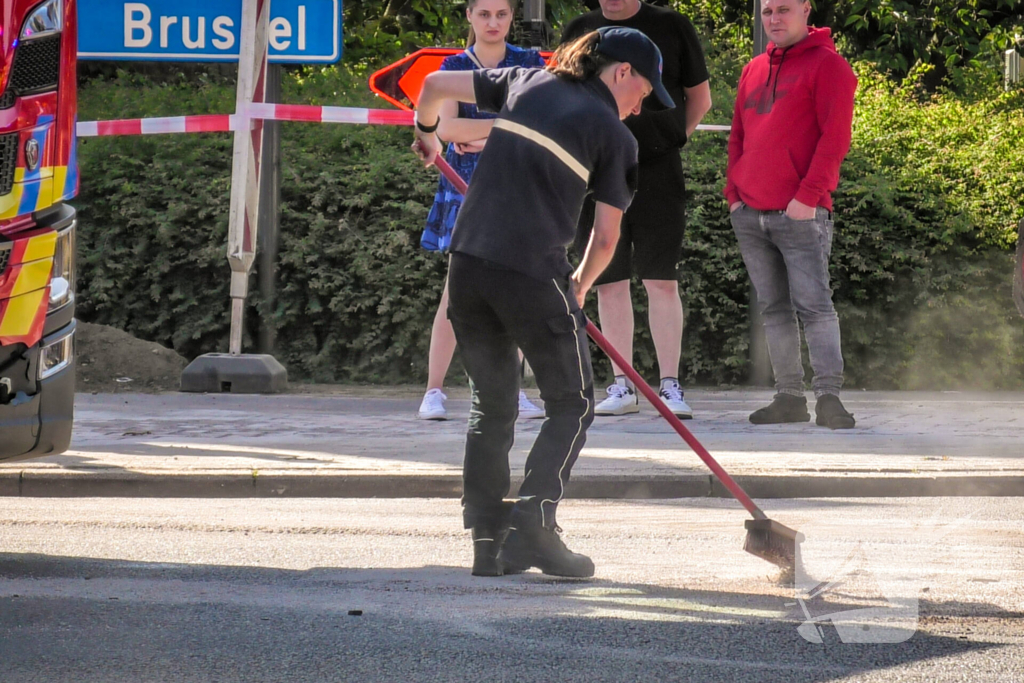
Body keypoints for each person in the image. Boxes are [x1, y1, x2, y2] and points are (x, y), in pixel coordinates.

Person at [412, 27, 672, 577]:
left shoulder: (526, 80)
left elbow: (433, 84)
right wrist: (577, 287)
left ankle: (487, 539)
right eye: (644, 92)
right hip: (532, 273)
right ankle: (533, 526)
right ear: (622, 72)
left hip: (468, 267)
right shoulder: (614, 138)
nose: (640, 105)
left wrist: (427, 134)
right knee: (573, 402)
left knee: (494, 403)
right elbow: (605, 241)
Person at [561, 0, 711, 419]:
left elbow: (700, 98)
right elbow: (562, 92)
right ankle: (621, 384)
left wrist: (671, 139)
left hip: (659, 168)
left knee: (661, 278)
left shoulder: (672, 25)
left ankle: (669, 385)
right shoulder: (581, 28)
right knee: (608, 279)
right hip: (596, 168)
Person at [725, 0, 857, 429]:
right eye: (767, 12)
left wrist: (809, 196)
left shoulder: (829, 66)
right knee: (774, 309)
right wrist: (734, 195)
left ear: (806, 9)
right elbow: (738, 138)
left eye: (783, 9)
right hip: (751, 212)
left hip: (800, 212)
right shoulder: (752, 69)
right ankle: (788, 397)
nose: (773, 19)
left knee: (815, 306)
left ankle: (829, 398)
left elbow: (835, 138)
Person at [417, 0, 546, 422]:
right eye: (484, 14)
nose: (493, 23)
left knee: (519, 291)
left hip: (516, 185)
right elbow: (446, 129)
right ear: (469, 15)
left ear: (511, 17)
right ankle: (434, 389)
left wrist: (484, 134)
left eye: (502, 14)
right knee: (456, 292)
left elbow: (538, 125)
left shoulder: (529, 63)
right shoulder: (454, 65)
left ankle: (516, 390)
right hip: (465, 188)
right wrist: (502, 129)